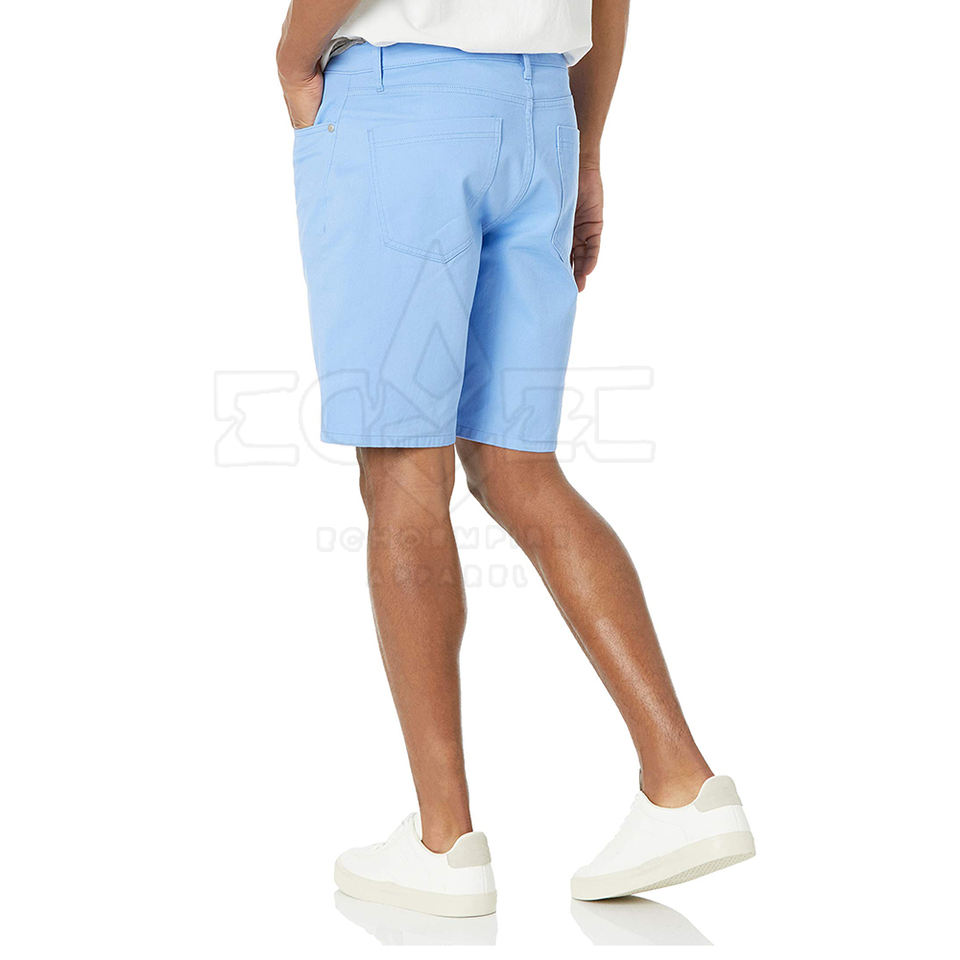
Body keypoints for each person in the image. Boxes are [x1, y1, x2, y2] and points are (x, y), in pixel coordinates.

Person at [277, 0, 754, 918]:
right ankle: (681, 782)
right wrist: (587, 145)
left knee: (405, 471)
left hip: (404, 108)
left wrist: (294, 59)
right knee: (516, 464)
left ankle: (444, 844)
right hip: (541, 117)